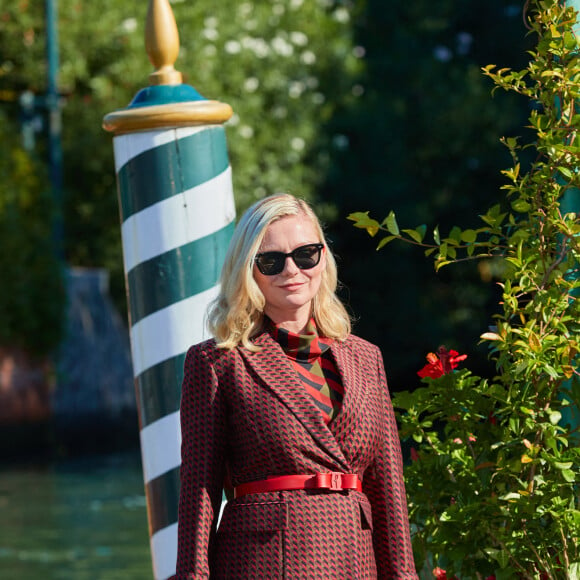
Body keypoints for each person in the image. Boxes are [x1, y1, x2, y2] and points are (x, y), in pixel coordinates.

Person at [174, 193, 418, 579]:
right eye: (271, 261)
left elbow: (387, 488)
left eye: (306, 254)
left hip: (356, 561)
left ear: (323, 258)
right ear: (247, 270)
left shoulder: (365, 358)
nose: (292, 270)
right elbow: (198, 493)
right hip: (265, 563)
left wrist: (403, 575)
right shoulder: (218, 361)